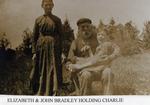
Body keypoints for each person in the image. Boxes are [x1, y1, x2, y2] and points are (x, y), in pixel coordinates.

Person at [66, 18, 120, 95]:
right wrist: (70, 65)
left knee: (108, 72)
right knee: (85, 75)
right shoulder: (75, 42)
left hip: (100, 69)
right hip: (86, 70)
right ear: (79, 29)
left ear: (91, 28)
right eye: (83, 27)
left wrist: (110, 57)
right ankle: (85, 98)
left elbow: (113, 48)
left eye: (88, 27)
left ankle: (108, 98)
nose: (86, 29)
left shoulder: (98, 39)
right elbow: (70, 59)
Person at [30, 0, 63, 96]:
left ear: (53, 6)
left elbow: (61, 37)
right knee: (41, 68)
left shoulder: (57, 20)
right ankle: (40, 91)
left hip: (53, 48)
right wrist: (34, 52)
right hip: (41, 48)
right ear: (42, 6)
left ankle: (54, 91)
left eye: (50, 5)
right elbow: (34, 37)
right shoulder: (38, 20)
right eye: (46, 5)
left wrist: (62, 52)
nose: (48, 7)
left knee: (53, 68)